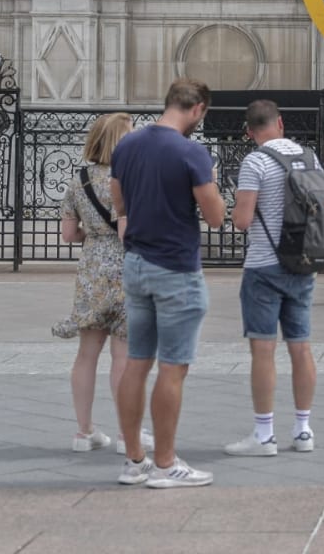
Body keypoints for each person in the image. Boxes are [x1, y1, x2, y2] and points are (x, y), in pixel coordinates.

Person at [109, 78, 226, 488]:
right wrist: (211, 182)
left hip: (136, 264)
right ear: (196, 109)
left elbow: (118, 202)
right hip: (176, 268)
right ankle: (165, 464)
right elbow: (215, 217)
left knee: (136, 363)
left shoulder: (127, 146)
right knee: (173, 369)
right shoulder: (191, 152)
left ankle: (133, 460)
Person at [225, 100, 323, 458]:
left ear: (250, 132)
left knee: (263, 349)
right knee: (301, 346)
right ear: (280, 123)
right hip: (302, 262)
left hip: (264, 266)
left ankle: (264, 435)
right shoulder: (310, 157)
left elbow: (243, 221)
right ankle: (303, 429)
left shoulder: (255, 161)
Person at [52, 112, 153, 456]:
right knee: (123, 356)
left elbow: (68, 234)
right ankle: (129, 432)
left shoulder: (77, 181)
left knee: (86, 354)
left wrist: (91, 234)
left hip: (92, 268)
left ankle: (84, 431)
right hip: (126, 267)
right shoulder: (133, 179)